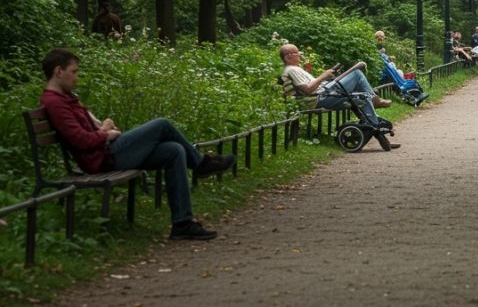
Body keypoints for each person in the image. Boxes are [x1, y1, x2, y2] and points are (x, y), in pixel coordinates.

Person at [39, 47, 234, 240]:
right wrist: (105, 134)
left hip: (106, 151)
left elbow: (88, 127)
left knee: (174, 151)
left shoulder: (67, 98)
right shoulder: (55, 103)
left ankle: (182, 223)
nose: (77, 77)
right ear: (58, 71)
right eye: (73, 72)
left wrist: (101, 126)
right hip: (104, 157)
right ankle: (201, 164)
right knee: (162, 124)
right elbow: (80, 140)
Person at [279, 43, 396, 127]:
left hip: (322, 94)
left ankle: (374, 127)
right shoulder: (292, 70)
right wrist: (324, 76)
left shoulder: (295, 69)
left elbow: (312, 86)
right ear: (288, 56)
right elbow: (308, 89)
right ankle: (375, 102)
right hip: (319, 98)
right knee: (356, 74)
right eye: (296, 53)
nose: (299, 54)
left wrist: (326, 79)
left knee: (363, 97)